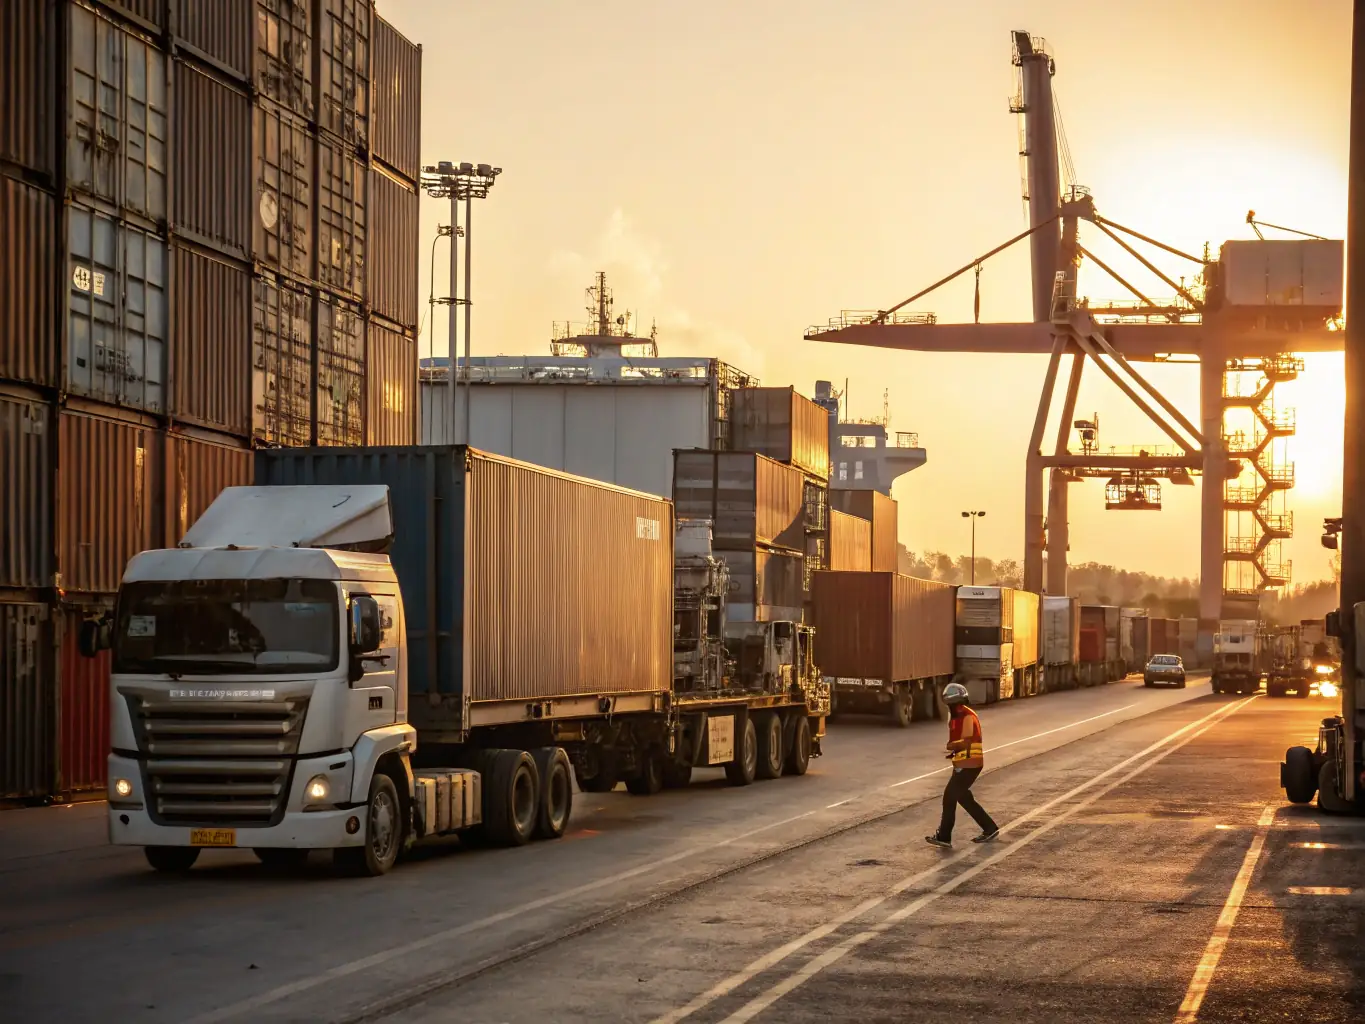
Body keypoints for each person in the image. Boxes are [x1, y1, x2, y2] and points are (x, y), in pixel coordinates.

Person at [925, 681, 1000, 848]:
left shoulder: (967, 716)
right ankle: (989, 827)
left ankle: (944, 836)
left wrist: (952, 746)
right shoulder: (958, 717)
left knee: (949, 798)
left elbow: (966, 741)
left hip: (969, 765)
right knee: (964, 798)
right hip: (963, 764)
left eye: (953, 705)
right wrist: (954, 752)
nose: (953, 709)